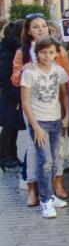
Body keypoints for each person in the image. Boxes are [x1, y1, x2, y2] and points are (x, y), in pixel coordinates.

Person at [12, 14, 69, 204]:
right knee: (34, 147)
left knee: (57, 147)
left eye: (43, 26)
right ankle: (32, 187)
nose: (41, 30)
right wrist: (25, 69)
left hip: (55, 104)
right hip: (33, 106)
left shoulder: (58, 49)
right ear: (29, 31)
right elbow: (14, 79)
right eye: (35, 27)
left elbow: (67, 77)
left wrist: (68, 110)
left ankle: (57, 182)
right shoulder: (23, 52)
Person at [20, 38, 69, 218]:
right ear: (37, 53)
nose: (47, 56)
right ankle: (45, 200)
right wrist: (35, 127)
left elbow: (64, 94)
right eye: (43, 52)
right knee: (45, 161)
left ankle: (51, 194)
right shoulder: (30, 72)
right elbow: (25, 102)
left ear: (56, 53)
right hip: (39, 122)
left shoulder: (59, 71)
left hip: (55, 120)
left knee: (55, 160)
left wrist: (67, 115)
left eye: (51, 52)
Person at [0, 20, 25, 171]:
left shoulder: (15, 46)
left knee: (13, 126)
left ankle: (12, 155)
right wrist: (15, 93)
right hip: (11, 94)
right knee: (9, 126)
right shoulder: (10, 49)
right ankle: (5, 156)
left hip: (14, 93)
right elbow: (4, 75)